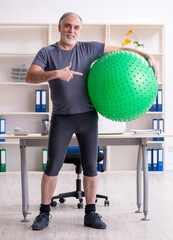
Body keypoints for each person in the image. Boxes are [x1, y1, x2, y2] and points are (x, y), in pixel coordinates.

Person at [26, 12, 158, 231]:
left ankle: (90, 213)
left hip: (87, 117)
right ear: (59, 28)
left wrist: (147, 55)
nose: (72, 31)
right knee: (52, 166)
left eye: (76, 27)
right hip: (61, 118)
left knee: (90, 166)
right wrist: (56, 73)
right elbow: (30, 76)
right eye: (68, 26)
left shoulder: (89, 48)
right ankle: (44, 213)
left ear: (80, 30)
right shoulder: (47, 52)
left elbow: (121, 50)